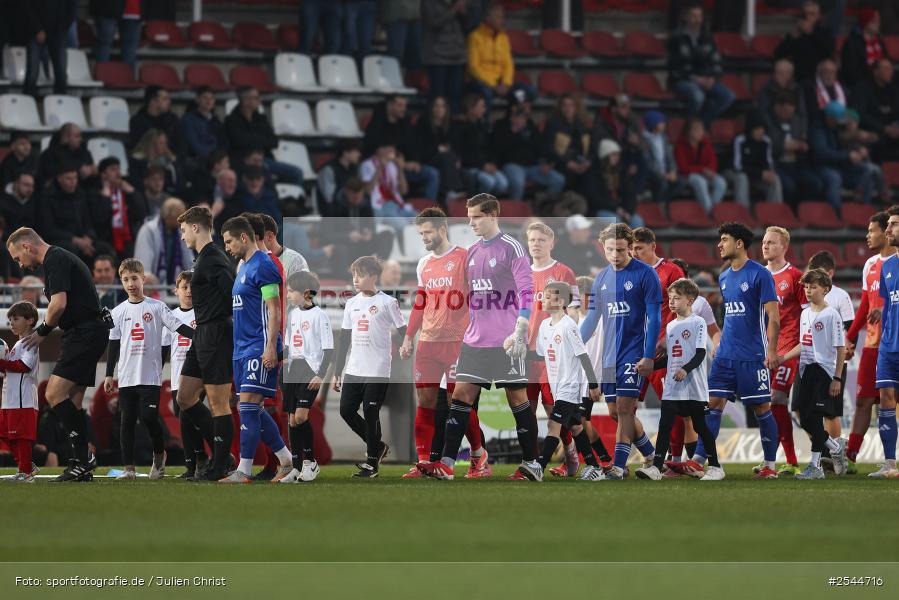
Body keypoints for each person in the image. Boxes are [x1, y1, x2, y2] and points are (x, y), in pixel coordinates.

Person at [417, 194, 539, 480]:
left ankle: (532, 464)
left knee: (517, 399)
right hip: (475, 341)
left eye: (476, 217)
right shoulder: (471, 252)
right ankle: (447, 463)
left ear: (493, 215)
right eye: (469, 216)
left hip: (507, 342)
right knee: (459, 396)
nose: (470, 222)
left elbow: (526, 291)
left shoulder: (512, 247)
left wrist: (520, 330)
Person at [671, 222, 781, 479]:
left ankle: (770, 466)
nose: (719, 244)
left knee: (762, 409)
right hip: (725, 355)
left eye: (724, 240)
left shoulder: (759, 274)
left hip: (752, 355)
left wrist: (772, 351)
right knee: (712, 404)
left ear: (739, 243)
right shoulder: (724, 276)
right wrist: (719, 346)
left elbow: (773, 317)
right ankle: (699, 460)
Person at [6, 228, 110, 481]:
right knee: (73, 401)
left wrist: (43, 330)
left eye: (17, 257)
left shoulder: (54, 259)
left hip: (83, 333)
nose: (20, 265)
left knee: (54, 393)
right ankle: (80, 462)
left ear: (27, 247)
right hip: (88, 331)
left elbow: (59, 304)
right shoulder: (58, 258)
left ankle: (83, 458)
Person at [398, 208, 487, 478]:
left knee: (458, 402)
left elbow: (478, 298)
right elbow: (420, 302)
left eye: (428, 232)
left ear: (441, 228)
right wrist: (408, 337)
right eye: (421, 233)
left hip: (458, 343)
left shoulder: (464, 257)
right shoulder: (423, 263)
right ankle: (423, 462)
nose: (424, 237)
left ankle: (478, 454)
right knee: (425, 402)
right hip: (428, 343)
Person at [578, 223, 661, 480]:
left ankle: (618, 466)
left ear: (630, 248)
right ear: (603, 248)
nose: (616, 255)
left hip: (634, 352)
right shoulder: (602, 278)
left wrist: (648, 356)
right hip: (609, 354)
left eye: (621, 250)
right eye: (611, 249)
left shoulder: (646, 275)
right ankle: (653, 457)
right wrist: (574, 346)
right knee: (615, 412)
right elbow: (592, 318)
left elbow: (655, 318)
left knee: (626, 409)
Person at [103, 258, 195, 480]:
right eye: (125, 279)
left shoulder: (157, 307)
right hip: (126, 377)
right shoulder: (117, 311)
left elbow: (178, 326)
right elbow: (113, 344)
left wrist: (201, 337)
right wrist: (108, 375)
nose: (130, 283)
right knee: (127, 421)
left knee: (149, 417)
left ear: (143, 279)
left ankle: (159, 455)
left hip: (150, 376)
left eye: (134, 278)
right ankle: (129, 469)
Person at [218, 216, 293, 483]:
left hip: (258, 346)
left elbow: (274, 308)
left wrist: (271, 346)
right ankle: (286, 460)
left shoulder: (264, 265)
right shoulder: (243, 268)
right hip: (241, 347)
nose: (226, 247)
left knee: (249, 406)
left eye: (228, 241)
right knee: (251, 407)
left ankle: (244, 470)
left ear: (244, 238)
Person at [636, 278, 724, 481]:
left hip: (694, 387)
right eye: (670, 298)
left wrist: (686, 369)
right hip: (673, 387)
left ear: (690, 300)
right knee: (665, 425)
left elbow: (700, 353)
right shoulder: (671, 326)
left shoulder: (698, 322)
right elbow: (670, 358)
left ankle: (716, 467)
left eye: (677, 298)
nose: (672, 302)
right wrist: (649, 365)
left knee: (701, 426)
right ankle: (656, 468)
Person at [518, 282, 603, 482]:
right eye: (544, 296)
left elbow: (583, 355)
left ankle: (539, 466)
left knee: (553, 424)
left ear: (562, 301)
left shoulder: (568, 325)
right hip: (557, 387)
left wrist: (593, 384)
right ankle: (595, 467)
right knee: (575, 428)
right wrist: (519, 351)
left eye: (549, 296)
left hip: (570, 386)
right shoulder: (544, 326)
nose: (543, 300)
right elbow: (540, 355)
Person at [174, 206, 235, 481]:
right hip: (202, 335)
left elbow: (233, 296)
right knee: (185, 397)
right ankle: (224, 457)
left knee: (219, 403)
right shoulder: (203, 259)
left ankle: (220, 465)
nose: (182, 235)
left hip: (216, 334)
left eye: (184, 230)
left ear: (196, 227)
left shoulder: (214, 259)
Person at [333, 256, 407, 478]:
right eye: (354, 274)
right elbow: (344, 339)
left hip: (377, 369)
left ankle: (372, 462)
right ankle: (378, 446)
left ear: (373, 277)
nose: (356, 279)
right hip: (354, 369)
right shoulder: (352, 303)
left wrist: (406, 345)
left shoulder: (387, 302)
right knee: (346, 411)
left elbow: (403, 330)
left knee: (370, 411)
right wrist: (338, 371)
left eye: (361, 274)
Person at [776, 269, 847, 479]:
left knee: (814, 417)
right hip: (804, 369)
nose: (808, 290)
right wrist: (784, 357)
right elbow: (803, 343)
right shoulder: (805, 313)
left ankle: (815, 467)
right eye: (806, 286)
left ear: (825, 289)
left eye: (813, 286)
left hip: (822, 370)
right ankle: (835, 446)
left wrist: (836, 377)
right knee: (800, 414)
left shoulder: (831, 314)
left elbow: (840, 348)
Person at [523, 221, 581, 478]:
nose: (536, 244)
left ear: (551, 243)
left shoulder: (563, 272)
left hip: (552, 356)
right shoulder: (521, 271)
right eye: (532, 240)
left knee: (552, 410)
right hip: (526, 353)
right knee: (525, 409)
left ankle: (571, 455)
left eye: (541, 240)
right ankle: (530, 461)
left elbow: (575, 310)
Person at [845, 212, 894, 470]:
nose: (867, 235)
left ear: (886, 232)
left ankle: (890, 460)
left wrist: (885, 310)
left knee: (890, 400)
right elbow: (865, 306)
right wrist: (850, 337)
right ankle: (850, 455)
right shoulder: (870, 265)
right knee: (864, 400)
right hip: (873, 344)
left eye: (871, 230)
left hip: (894, 342)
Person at [759, 226, 807, 476]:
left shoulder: (795, 276)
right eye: (764, 242)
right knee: (766, 403)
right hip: (765, 350)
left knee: (776, 398)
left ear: (784, 247)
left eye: (772, 243)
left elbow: (809, 313)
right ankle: (772, 460)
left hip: (788, 349)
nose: (765, 246)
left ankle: (791, 460)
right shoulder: (758, 275)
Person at [280, 271, 333, 483]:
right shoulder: (293, 314)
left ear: (306, 293)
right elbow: (288, 344)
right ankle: (297, 466)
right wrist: (280, 358)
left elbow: (328, 350)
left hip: (311, 370)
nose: (288, 295)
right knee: (292, 420)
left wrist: (321, 375)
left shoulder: (320, 316)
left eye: (291, 291)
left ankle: (311, 463)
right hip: (293, 369)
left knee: (301, 416)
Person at [806, 249, 855, 471]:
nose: (810, 288)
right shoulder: (807, 307)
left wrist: (848, 348)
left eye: (819, 276)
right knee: (804, 413)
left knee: (829, 412)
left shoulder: (839, 298)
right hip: (809, 365)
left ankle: (830, 458)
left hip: (830, 365)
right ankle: (832, 449)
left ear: (830, 275)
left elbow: (847, 332)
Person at [631, 227, 686, 408]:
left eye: (639, 248)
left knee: (674, 407)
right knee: (623, 407)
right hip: (635, 347)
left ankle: (686, 438)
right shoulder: (628, 274)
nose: (634, 253)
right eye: (632, 248)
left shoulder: (671, 271)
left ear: (653, 246)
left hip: (662, 349)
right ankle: (639, 438)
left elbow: (684, 308)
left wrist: (669, 338)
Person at [162, 270, 207, 479]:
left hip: (199, 377)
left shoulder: (203, 314)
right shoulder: (171, 317)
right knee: (183, 421)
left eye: (192, 287)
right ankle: (192, 465)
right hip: (177, 376)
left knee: (189, 419)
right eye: (184, 287)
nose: (189, 291)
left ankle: (200, 462)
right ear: (176, 290)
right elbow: (164, 350)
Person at [868, 205, 899, 477]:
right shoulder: (887, 266)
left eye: (894, 225)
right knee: (885, 398)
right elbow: (889, 305)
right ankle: (890, 464)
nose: (888, 229)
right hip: (889, 345)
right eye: (888, 225)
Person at [667, 2, 734, 126]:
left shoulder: (707, 37)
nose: (696, 20)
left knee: (728, 96)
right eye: (693, 16)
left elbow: (716, 61)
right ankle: (690, 127)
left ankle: (701, 124)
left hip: (706, 79)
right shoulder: (676, 38)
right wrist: (696, 79)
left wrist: (713, 78)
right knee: (698, 96)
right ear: (685, 17)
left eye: (699, 16)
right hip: (682, 80)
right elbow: (674, 68)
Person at [364, 95, 440, 203]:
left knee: (432, 174)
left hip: (405, 166)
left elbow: (414, 145)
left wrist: (415, 162)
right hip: (386, 166)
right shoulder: (377, 124)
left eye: (405, 105)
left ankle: (428, 209)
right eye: (399, 105)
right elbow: (379, 150)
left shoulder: (405, 122)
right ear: (390, 105)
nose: (403, 109)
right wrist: (401, 162)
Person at [492, 93, 564, 201]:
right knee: (518, 183)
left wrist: (544, 162)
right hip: (512, 165)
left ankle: (543, 207)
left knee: (558, 180)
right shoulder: (501, 125)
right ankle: (515, 213)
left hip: (532, 166)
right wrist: (514, 131)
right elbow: (498, 150)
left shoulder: (529, 124)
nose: (525, 110)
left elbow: (540, 146)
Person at [810, 101, 880, 211]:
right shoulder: (817, 130)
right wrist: (847, 156)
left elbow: (847, 142)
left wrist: (857, 152)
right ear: (830, 118)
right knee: (834, 178)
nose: (840, 123)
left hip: (840, 165)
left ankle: (865, 208)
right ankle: (835, 212)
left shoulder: (836, 128)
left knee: (867, 169)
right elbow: (821, 153)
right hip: (821, 166)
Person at [225, 86, 302, 185]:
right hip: (242, 161)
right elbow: (238, 141)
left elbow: (274, 141)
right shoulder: (231, 120)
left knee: (296, 173)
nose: (259, 100)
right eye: (256, 98)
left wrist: (252, 139)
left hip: (264, 159)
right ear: (246, 101)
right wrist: (260, 139)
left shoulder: (261, 119)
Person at [0, 301, 41, 482]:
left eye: (16, 318)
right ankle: (26, 465)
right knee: (4, 434)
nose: (12, 323)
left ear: (30, 320)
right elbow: (9, 368)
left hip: (23, 399)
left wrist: (2, 363)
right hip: (9, 399)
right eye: (10, 320)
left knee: (21, 437)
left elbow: (23, 365)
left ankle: (25, 473)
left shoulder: (31, 342)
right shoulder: (17, 344)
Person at [40, 165, 114, 264]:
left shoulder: (80, 195)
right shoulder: (48, 198)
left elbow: (88, 222)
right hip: (61, 241)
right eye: (68, 178)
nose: (73, 182)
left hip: (83, 241)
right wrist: (75, 240)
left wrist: (89, 238)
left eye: (75, 178)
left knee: (105, 249)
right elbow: (49, 229)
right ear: (59, 179)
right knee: (71, 251)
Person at [765, 92, 822, 207]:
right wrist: (784, 146)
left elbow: (803, 141)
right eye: (786, 111)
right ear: (777, 107)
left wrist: (801, 146)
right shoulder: (768, 122)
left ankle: (803, 210)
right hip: (777, 164)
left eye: (791, 111)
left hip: (796, 164)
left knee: (815, 183)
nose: (789, 114)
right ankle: (788, 211)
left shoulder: (796, 122)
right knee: (788, 186)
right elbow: (768, 145)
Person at [327, 177, 395, 273]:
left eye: (359, 196)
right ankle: (346, 278)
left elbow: (371, 228)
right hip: (346, 246)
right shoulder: (334, 207)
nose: (357, 199)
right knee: (341, 250)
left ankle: (378, 267)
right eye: (354, 197)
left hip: (363, 244)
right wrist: (348, 237)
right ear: (347, 192)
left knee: (387, 235)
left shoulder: (366, 205)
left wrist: (369, 233)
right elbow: (326, 235)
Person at [90, 156, 149, 260]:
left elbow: (141, 213)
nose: (118, 173)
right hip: (105, 238)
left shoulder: (125, 192)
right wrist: (106, 197)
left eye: (118, 169)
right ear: (103, 174)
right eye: (113, 169)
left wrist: (132, 192)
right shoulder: (95, 193)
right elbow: (100, 218)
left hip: (127, 238)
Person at [452, 94, 508, 196]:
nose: (484, 109)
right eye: (481, 106)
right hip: (470, 167)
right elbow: (462, 153)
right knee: (489, 182)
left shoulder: (483, 126)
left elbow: (491, 147)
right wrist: (482, 166)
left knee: (503, 183)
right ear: (471, 108)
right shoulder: (458, 126)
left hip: (485, 165)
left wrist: (492, 163)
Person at [414, 96, 465, 202]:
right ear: (431, 108)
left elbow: (454, 146)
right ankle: (450, 192)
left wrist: (456, 158)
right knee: (446, 157)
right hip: (427, 158)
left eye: (442, 106)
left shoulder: (449, 124)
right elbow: (420, 148)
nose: (439, 109)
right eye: (436, 105)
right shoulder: (423, 123)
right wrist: (438, 149)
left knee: (457, 164)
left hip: (445, 160)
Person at [134, 197, 194, 286]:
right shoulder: (148, 230)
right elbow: (143, 263)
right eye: (181, 216)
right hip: (153, 288)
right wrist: (146, 276)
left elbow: (189, 262)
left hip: (175, 288)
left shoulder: (181, 232)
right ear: (169, 216)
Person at [421, 0, 468, 112]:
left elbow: (468, 25)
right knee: (437, 96)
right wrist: (454, 10)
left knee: (455, 94)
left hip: (457, 56)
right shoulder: (428, 3)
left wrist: (463, 12)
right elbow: (433, 23)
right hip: (437, 56)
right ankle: (434, 125)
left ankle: (452, 126)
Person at [774, 0, 837, 83]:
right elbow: (778, 55)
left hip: (820, 77)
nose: (808, 17)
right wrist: (792, 38)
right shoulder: (796, 34)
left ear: (818, 16)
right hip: (799, 78)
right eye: (805, 14)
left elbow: (829, 51)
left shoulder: (825, 33)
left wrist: (811, 33)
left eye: (812, 14)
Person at [731, 111, 783, 208]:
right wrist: (760, 173)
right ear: (751, 129)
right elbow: (737, 167)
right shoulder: (740, 140)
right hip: (734, 173)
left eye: (762, 129)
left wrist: (768, 173)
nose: (761, 132)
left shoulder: (766, 141)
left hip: (756, 175)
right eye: (758, 129)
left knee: (775, 179)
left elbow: (768, 164)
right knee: (742, 177)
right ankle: (743, 213)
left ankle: (775, 212)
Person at [466, 2, 514, 106]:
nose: (502, 21)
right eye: (498, 18)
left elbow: (508, 65)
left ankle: (511, 120)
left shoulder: (503, 38)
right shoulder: (475, 37)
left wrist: (506, 83)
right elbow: (473, 68)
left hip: (501, 84)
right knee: (486, 93)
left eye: (502, 18)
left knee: (525, 93)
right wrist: (493, 85)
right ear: (487, 19)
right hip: (482, 83)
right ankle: (486, 121)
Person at [23, 1, 75, 96]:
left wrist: (62, 29)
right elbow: (27, 7)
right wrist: (37, 29)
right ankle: (27, 104)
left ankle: (60, 105)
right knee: (32, 74)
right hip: (35, 33)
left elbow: (72, 9)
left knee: (61, 74)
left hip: (58, 34)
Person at [359, 143, 416, 230]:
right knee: (405, 226)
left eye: (393, 148)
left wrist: (400, 169)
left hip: (397, 204)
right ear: (379, 149)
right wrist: (379, 169)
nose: (392, 150)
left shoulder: (392, 165)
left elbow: (404, 191)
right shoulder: (367, 165)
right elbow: (367, 191)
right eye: (388, 147)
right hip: (381, 205)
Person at [587, 139, 643, 227]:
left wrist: (628, 211)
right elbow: (595, 199)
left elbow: (630, 193)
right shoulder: (593, 174)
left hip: (621, 210)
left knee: (638, 222)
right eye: (613, 154)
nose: (617, 157)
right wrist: (616, 208)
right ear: (605, 155)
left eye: (617, 154)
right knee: (617, 222)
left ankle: (632, 241)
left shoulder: (620, 172)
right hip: (601, 210)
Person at [852, 58, 899, 161]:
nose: (890, 72)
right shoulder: (862, 88)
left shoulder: (893, 89)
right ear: (876, 71)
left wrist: (896, 126)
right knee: (877, 141)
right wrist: (884, 128)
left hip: (893, 129)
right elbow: (861, 114)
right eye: (886, 69)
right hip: (873, 130)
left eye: (891, 69)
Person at [543, 94, 592, 194]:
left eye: (571, 105)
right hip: (560, 162)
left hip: (580, 161)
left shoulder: (582, 125)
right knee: (570, 176)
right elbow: (549, 148)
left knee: (592, 176)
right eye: (564, 105)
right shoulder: (553, 123)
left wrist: (587, 162)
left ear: (576, 108)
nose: (567, 108)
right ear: (560, 107)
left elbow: (591, 147)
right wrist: (568, 163)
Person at [642, 111, 685, 204]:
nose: (664, 125)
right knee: (662, 184)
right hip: (652, 173)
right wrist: (662, 174)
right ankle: (656, 204)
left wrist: (673, 171)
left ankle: (662, 202)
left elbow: (670, 157)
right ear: (653, 124)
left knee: (680, 182)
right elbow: (647, 162)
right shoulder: (644, 139)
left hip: (666, 172)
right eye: (661, 122)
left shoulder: (663, 138)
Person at [128, 87, 184, 156]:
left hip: (171, 161)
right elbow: (138, 147)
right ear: (153, 100)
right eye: (165, 99)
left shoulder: (172, 120)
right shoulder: (137, 121)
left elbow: (181, 146)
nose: (169, 102)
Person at [840, 8, 887, 88]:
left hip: (882, 83)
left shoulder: (879, 42)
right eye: (874, 20)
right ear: (866, 22)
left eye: (878, 20)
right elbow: (851, 72)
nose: (878, 23)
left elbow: (887, 61)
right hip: (863, 86)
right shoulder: (852, 43)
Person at [755, 59, 808, 127]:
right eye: (778, 73)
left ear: (790, 75)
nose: (780, 76)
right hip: (773, 128)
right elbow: (764, 113)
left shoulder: (797, 89)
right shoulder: (766, 90)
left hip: (794, 128)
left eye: (784, 73)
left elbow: (802, 113)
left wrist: (802, 135)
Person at [130, 129, 182, 196]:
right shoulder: (137, 160)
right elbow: (137, 183)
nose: (165, 147)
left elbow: (178, 182)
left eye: (165, 143)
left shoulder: (166, 161)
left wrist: (173, 160)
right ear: (151, 144)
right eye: (161, 143)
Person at [91, 0, 141, 70]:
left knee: (129, 47)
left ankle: (127, 78)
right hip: (108, 8)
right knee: (104, 44)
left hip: (133, 10)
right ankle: (101, 76)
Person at [181, 86, 226, 163]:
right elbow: (193, 144)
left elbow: (223, 142)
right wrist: (213, 158)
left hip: (217, 159)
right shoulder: (188, 120)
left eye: (211, 98)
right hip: (199, 160)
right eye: (205, 98)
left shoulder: (216, 120)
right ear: (197, 100)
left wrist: (221, 156)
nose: (208, 101)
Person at [316, 141, 361, 216]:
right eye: (356, 151)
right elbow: (329, 198)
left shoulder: (354, 169)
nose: (359, 154)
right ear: (346, 153)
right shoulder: (329, 169)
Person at [259, 213, 308, 278]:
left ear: (269, 236)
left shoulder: (295, 260)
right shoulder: (247, 261)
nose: (250, 244)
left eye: (255, 238)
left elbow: (303, 287)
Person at [803, 59, 846, 124]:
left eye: (832, 72)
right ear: (818, 73)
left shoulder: (843, 88)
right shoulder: (810, 87)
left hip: (841, 123)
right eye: (826, 72)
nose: (829, 75)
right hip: (819, 123)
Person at [380, 0, 420, 68]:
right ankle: (392, 77)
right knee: (396, 55)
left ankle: (410, 77)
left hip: (417, 12)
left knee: (416, 54)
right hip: (395, 12)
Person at [0, 172, 39, 237]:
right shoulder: (2, 201)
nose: (30, 189)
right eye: (26, 185)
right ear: (16, 184)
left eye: (32, 186)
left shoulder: (35, 201)